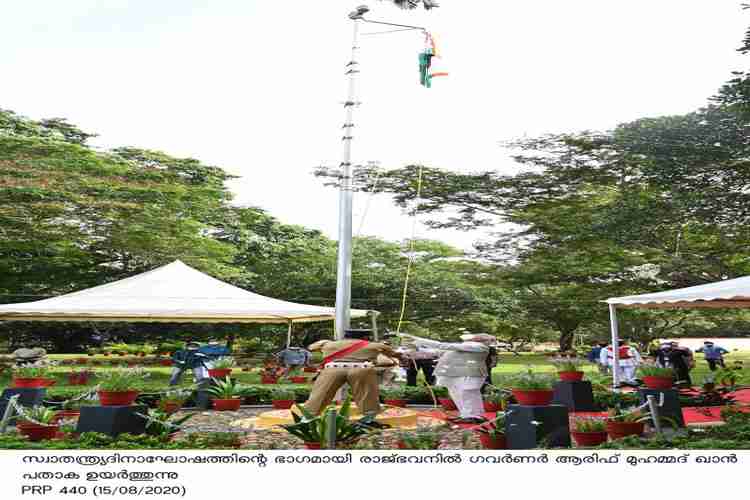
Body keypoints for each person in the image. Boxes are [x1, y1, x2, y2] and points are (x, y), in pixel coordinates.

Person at [303, 329, 404, 417]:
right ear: (366, 337)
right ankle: (369, 417)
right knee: (366, 394)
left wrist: (328, 344)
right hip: (361, 369)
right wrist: (402, 357)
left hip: (332, 369)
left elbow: (311, 347)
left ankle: (308, 416)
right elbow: (394, 355)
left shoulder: (328, 344)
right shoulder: (375, 345)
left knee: (320, 394)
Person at [399, 332, 494, 424]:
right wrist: (416, 350)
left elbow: (443, 345)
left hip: (470, 374)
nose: (472, 338)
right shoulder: (462, 346)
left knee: (467, 394)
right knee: (456, 394)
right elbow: (437, 352)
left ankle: (474, 416)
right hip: (455, 374)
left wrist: (418, 340)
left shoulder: (480, 347)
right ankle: (465, 415)